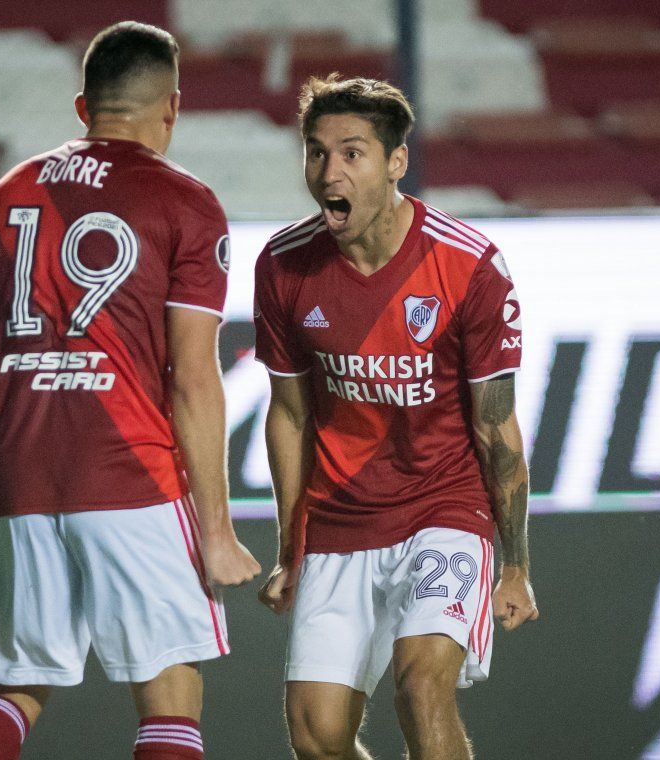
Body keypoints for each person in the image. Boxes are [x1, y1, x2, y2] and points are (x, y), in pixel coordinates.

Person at [0, 20, 261, 760]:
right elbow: (194, 377)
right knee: (170, 695)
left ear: (84, 106)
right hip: (129, 470)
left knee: (10, 691)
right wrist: (215, 529)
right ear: (172, 108)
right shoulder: (185, 202)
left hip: (18, 477)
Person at [254, 75, 540, 760]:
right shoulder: (283, 266)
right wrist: (291, 547)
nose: (329, 171)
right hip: (340, 518)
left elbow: (495, 428)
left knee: (420, 689)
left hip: (444, 507)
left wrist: (515, 563)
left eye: (352, 153)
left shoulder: (467, 265)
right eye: (316, 153)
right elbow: (289, 415)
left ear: (396, 162)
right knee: (317, 735)